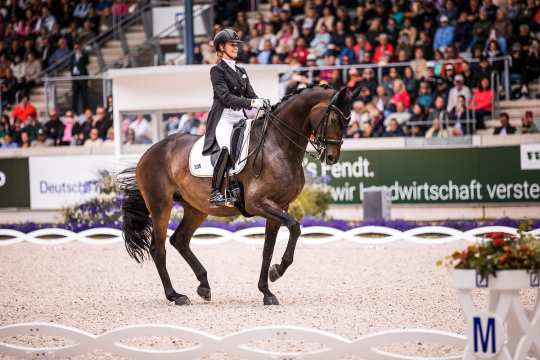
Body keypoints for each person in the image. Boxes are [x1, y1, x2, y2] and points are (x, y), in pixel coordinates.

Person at [204, 28, 269, 207]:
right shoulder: (216, 71)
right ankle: (216, 192)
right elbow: (225, 97)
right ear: (221, 47)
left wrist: (262, 103)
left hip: (240, 117)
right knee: (227, 147)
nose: (236, 48)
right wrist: (251, 104)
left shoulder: (241, 71)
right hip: (224, 118)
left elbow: (251, 95)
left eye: (236, 45)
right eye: (232, 45)